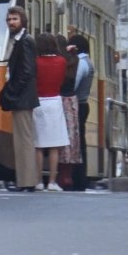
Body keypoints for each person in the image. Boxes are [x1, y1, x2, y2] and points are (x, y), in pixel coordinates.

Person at [0, 7, 40, 192]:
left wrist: (11, 91)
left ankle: (27, 181)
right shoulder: (20, 40)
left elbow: (27, 71)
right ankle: (24, 181)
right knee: (22, 140)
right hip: (23, 97)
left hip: (22, 97)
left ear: (23, 20)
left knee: (24, 140)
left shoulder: (25, 41)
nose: (11, 22)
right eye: (8, 19)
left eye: (14, 19)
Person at [32, 33, 70, 191]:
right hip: (55, 101)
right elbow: (62, 81)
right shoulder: (62, 61)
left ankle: (39, 180)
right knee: (54, 146)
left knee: (38, 145)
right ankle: (52, 182)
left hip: (38, 102)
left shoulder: (36, 62)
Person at [55, 35, 81, 190]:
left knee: (56, 138)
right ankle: (67, 175)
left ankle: (58, 175)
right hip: (71, 101)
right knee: (71, 138)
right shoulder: (73, 61)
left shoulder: (57, 62)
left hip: (58, 100)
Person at [68, 34, 93, 191]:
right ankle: (79, 178)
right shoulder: (87, 62)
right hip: (83, 104)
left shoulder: (82, 64)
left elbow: (73, 84)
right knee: (80, 142)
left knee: (77, 143)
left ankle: (77, 179)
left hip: (78, 104)